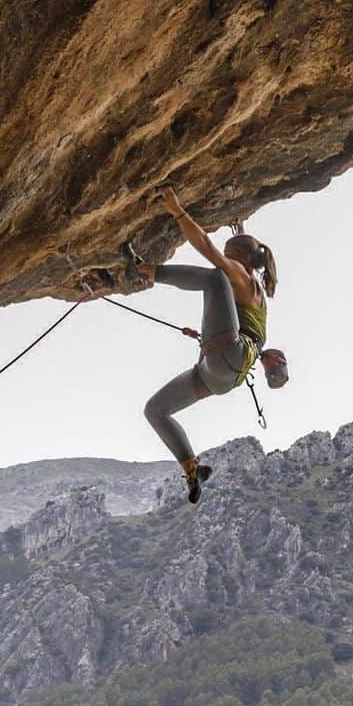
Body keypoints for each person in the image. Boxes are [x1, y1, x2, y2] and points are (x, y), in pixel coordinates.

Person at [129, 186, 288, 503]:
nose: (227, 261)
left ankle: (148, 270)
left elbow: (206, 248)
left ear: (242, 260)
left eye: (232, 257)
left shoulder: (241, 276)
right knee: (155, 410)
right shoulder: (250, 282)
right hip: (218, 372)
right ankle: (192, 468)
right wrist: (241, 232)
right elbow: (241, 261)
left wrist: (177, 209)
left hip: (228, 356)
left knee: (214, 278)